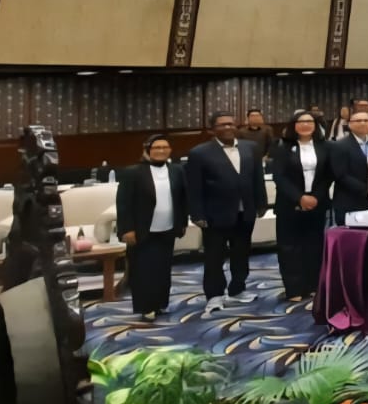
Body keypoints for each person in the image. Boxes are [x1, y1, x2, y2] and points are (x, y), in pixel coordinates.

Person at [185, 111, 266, 315]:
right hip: (214, 215)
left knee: (241, 253)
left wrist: (261, 203)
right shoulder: (199, 153)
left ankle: (237, 289)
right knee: (214, 257)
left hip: (245, 212)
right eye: (222, 125)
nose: (228, 127)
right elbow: (194, 187)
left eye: (230, 123)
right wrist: (197, 214)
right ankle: (214, 295)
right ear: (213, 130)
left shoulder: (251, 148)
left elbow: (258, 177)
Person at [115, 134, 186, 321]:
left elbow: (182, 200)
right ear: (147, 150)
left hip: (168, 228)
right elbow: (123, 203)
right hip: (142, 230)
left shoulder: (177, 171)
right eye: (156, 147)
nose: (161, 151)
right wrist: (126, 229)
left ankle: (161, 303)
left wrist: (182, 223)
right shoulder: (133, 172)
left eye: (165, 147)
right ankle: (146, 307)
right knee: (144, 270)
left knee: (163, 269)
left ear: (170, 150)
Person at [272, 110, 332, 302]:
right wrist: (300, 198)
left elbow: (328, 175)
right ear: (293, 126)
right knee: (290, 247)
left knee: (314, 245)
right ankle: (294, 288)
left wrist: (315, 197)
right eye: (300, 121)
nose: (305, 125)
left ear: (316, 125)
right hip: (289, 205)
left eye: (309, 121)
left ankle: (313, 285)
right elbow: (279, 177)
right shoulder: (282, 147)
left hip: (317, 204)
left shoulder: (325, 147)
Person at [329, 111, 368, 226]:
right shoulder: (339, 146)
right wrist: (366, 189)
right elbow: (340, 175)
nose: (363, 123)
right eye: (358, 121)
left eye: (366, 120)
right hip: (349, 200)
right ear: (349, 124)